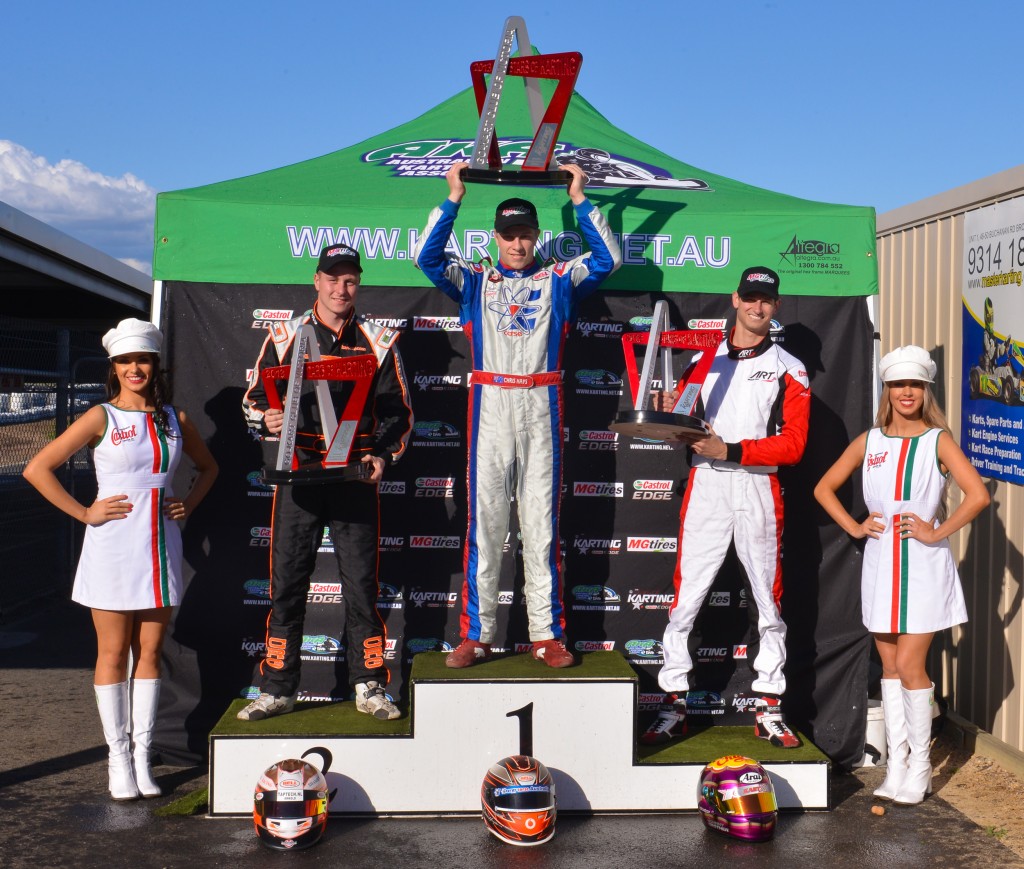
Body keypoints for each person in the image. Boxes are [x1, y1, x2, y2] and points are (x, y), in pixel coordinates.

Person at [413, 161, 621, 669]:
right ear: (497, 237)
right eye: (509, 235)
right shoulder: (474, 282)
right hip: (490, 406)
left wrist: (579, 197)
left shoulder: (558, 281)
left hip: (541, 405)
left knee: (540, 527)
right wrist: (454, 197)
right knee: (485, 526)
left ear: (537, 236)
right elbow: (425, 256)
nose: (518, 244)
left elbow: (608, 259)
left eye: (526, 235)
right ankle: (477, 635)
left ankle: (546, 635)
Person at [23, 318, 218, 800]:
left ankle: (142, 756)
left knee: (150, 653)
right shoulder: (99, 417)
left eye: (143, 359)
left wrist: (186, 505)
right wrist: (85, 512)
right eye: (126, 361)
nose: (136, 368)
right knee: (112, 653)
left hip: (159, 545)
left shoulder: (177, 419)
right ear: (114, 367)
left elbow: (209, 467)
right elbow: (36, 468)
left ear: (155, 364)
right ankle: (117, 760)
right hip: (112, 546)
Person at [239, 244, 413, 721]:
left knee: (360, 586)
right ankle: (277, 687)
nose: (341, 288)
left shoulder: (378, 340)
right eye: (332, 278)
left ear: (359, 284)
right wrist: (266, 418)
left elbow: (400, 414)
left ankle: (370, 685)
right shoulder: (284, 334)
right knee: (286, 586)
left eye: (350, 279)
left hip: (354, 476)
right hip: (298, 476)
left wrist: (381, 454)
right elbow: (252, 400)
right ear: (316, 281)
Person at [642, 266, 809, 748]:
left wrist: (733, 451)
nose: (758, 307)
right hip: (707, 484)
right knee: (687, 596)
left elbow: (794, 446)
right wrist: (671, 408)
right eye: (751, 297)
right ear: (735, 299)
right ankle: (674, 704)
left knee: (767, 600)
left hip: (758, 484)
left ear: (776, 306)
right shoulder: (703, 357)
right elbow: (685, 421)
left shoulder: (789, 367)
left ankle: (770, 706)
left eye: (767, 300)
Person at [814, 345, 989, 805]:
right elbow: (823, 487)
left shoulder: (938, 440)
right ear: (887, 390)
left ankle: (920, 767)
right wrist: (854, 526)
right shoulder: (869, 441)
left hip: (924, 568)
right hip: (879, 564)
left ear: (924, 390)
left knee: (911, 666)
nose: (905, 393)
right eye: (897, 385)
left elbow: (976, 496)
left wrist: (937, 532)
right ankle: (896, 764)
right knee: (889, 667)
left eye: (913, 385)